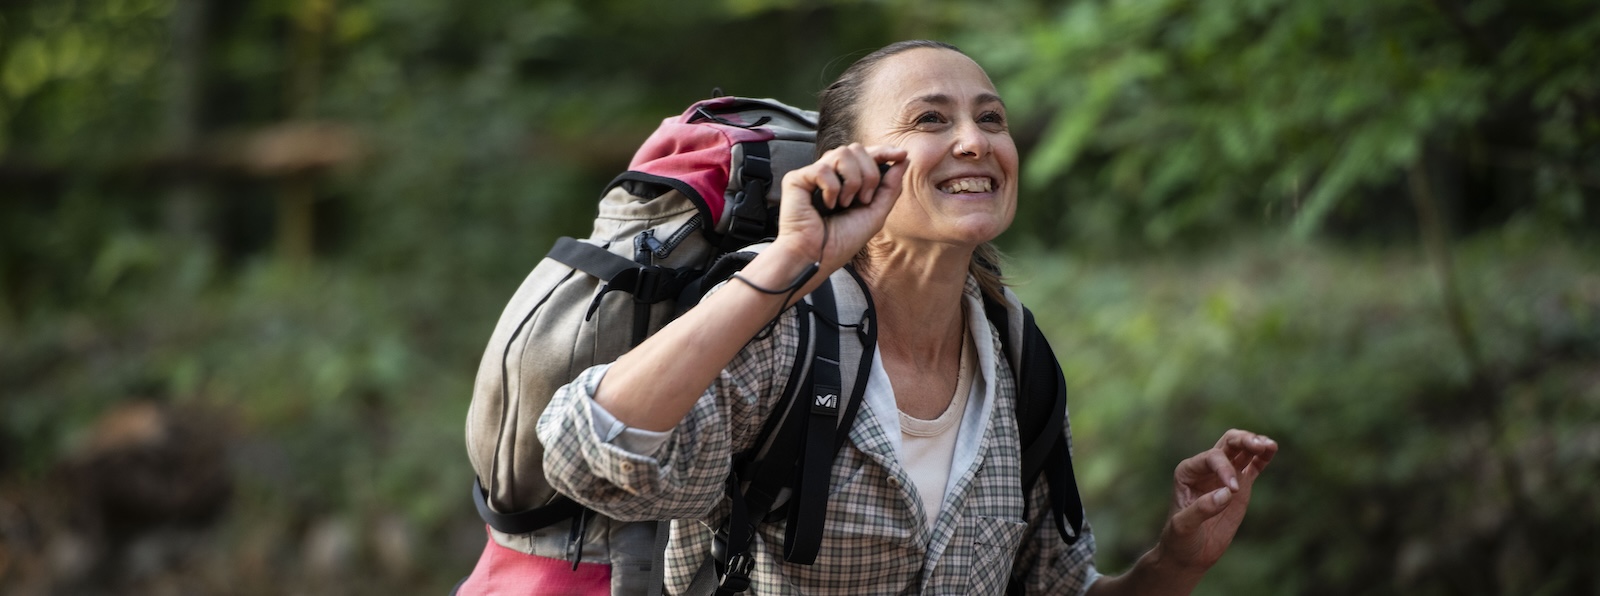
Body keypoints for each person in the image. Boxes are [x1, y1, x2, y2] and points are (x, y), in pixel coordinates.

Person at [537, 39, 1278, 594]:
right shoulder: (782, 328)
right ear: (850, 164)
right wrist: (791, 259)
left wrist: (1175, 562)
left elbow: (1057, 588)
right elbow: (587, 458)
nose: (975, 141)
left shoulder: (1018, 359)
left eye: (991, 119)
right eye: (931, 119)